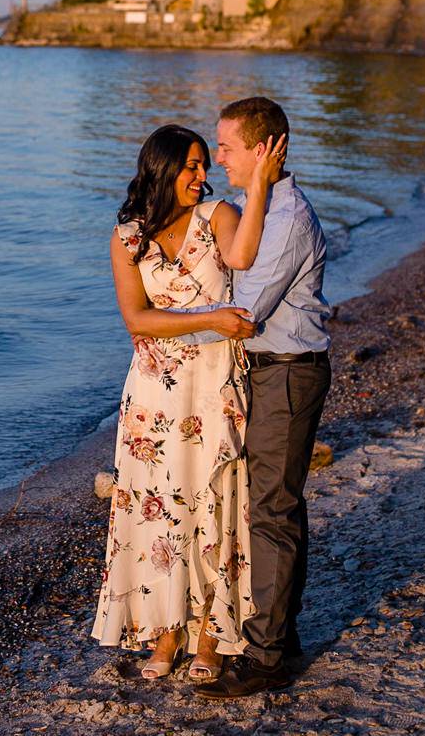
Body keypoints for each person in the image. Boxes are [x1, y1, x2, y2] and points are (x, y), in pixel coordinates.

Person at [90, 122, 287, 681]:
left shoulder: (219, 214)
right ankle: (164, 628)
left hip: (215, 384)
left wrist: (263, 188)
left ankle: (210, 635)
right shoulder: (128, 237)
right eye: (191, 167)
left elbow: (243, 258)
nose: (202, 176)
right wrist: (211, 319)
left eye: (206, 164)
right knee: (159, 506)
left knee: (213, 501)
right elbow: (136, 317)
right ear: (162, 168)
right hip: (154, 396)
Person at [190, 95, 332, 700]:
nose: (218, 157)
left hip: (288, 372)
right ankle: (284, 634)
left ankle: (267, 655)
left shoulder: (287, 218)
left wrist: (159, 324)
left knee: (270, 510)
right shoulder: (258, 206)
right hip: (272, 371)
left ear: (264, 149)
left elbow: (246, 314)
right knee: (280, 504)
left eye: (226, 146)